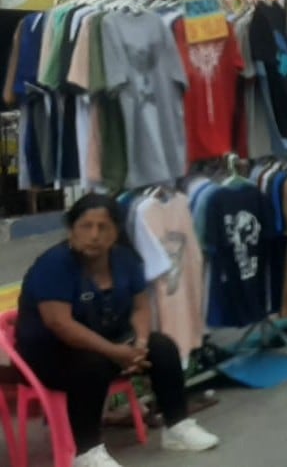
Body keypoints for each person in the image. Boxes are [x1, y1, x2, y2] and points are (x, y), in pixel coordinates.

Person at [15, 194, 219, 467]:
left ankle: (176, 427)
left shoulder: (125, 260)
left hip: (107, 342)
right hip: (49, 355)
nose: (94, 235)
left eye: (103, 227)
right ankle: (87, 453)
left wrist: (142, 342)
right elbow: (59, 324)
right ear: (72, 229)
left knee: (162, 347)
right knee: (91, 365)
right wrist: (116, 352)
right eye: (86, 226)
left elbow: (140, 307)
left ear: (116, 232)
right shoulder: (54, 265)